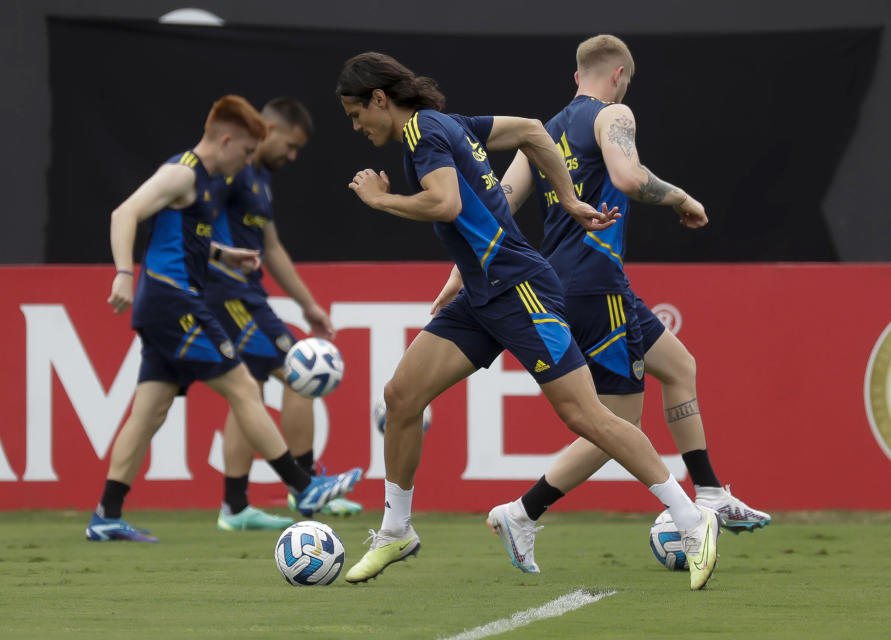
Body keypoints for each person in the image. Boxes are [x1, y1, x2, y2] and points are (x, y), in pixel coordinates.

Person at [336, 52, 720, 590]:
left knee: (589, 416)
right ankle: (396, 530)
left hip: (518, 289)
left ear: (380, 99)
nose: (357, 127)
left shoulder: (423, 132)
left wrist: (382, 201)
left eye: (357, 114)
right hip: (481, 292)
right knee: (402, 396)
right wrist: (568, 198)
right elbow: (534, 132)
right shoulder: (452, 125)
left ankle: (691, 517)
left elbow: (445, 204)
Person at [431, 35, 770, 574]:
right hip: (595, 285)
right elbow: (627, 177)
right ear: (618, 77)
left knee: (679, 366)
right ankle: (522, 513)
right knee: (619, 424)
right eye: (625, 84)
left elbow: (498, 206)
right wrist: (684, 199)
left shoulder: (536, 134)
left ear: (575, 78)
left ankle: (708, 491)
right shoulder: (614, 114)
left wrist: (456, 275)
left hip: (565, 281)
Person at [85, 95, 361, 543]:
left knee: (149, 411)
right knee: (244, 387)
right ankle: (304, 487)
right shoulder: (182, 172)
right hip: (174, 302)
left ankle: (106, 515)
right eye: (247, 152)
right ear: (227, 139)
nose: (248, 162)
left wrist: (222, 254)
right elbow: (125, 213)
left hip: (165, 304)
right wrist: (121, 273)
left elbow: (182, 233)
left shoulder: (203, 179)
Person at [205, 97, 362, 532]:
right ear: (268, 130)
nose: (292, 157)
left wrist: (307, 303)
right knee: (301, 369)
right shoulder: (232, 169)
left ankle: (235, 508)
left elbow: (271, 248)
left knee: (247, 392)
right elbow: (195, 221)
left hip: (244, 295)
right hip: (227, 294)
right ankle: (308, 490)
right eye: (290, 147)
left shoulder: (258, 179)